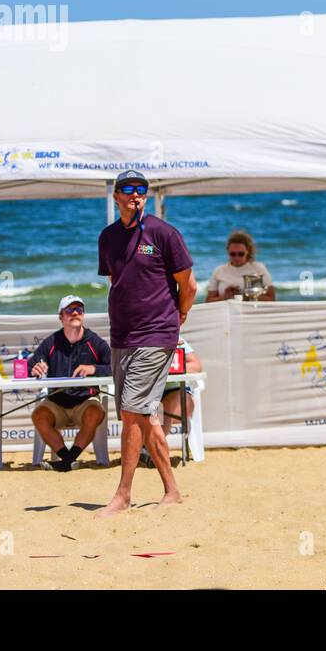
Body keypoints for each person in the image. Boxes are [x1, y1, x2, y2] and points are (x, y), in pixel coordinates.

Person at [95, 169, 197, 516]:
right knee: (144, 416)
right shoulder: (108, 237)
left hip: (156, 334)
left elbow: (190, 285)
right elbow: (117, 279)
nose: (135, 195)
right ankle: (172, 490)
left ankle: (123, 495)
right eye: (128, 190)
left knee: (130, 412)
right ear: (117, 197)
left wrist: (178, 317)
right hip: (122, 335)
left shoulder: (163, 233)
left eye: (141, 190)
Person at [29, 295, 111, 471]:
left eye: (79, 309)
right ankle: (67, 459)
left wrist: (93, 369)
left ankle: (66, 461)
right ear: (61, 317)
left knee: (94, 413)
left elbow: (115, 366)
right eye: (69, 310)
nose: (75, 313)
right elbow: (31, 363)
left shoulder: (94, 341)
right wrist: (35, 367)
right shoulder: (51, 341)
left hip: (85, 401)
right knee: (38, 416)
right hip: (56, 401)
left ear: (83, 314)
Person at [205, 230, 275, 302]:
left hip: (252, 311)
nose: (236, 257)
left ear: (248, 251)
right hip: (226, 312)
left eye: (241, 254)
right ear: (227, 251)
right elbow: (208, 301)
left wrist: (246, 295)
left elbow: (271, 299)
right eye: (233, 254)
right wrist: (224, 297)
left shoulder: (259, 268)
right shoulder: (219, 270)